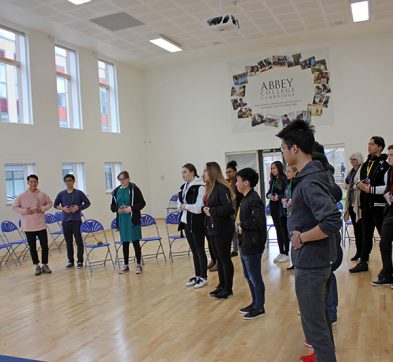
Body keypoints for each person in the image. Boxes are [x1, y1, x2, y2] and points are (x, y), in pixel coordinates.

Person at [277, 120, 342, 362]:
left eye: (284, 148)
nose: (282, 153)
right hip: (319, 261)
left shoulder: (311, 180)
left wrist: (301, 237)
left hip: (312, 264)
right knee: (321, 323)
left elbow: (332, 220)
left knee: (316, 329)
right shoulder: (316, 174)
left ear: (295, 149)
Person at [349, 137, 390, 273]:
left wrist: (371, 189)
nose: (369, 146)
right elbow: (358, 181)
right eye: (368, 144)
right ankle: (363, 261)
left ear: (380, 147)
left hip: (379, 206)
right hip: (366, 205)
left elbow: (387, 186)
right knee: (366, 235)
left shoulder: (385, 165)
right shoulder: (366, 163)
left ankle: (387, 267)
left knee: (384, 238)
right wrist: (358, 184)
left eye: (372, 144)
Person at [235, 168, 267, 320]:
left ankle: (259, 307)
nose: (236, 184)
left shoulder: (254, 199)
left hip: (252, 244)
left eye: (238, 181)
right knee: (248, 276)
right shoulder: (246, 198)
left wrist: (243, 225)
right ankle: (254, 303)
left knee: (255, 277)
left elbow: (259, 222)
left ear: (246, 183)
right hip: (245, 242)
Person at [203, 162, 236, 299]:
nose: (203, 173)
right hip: (212, 227)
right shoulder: (210, 188)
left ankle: (228, 288)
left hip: (222, 228)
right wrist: (205, 209)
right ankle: (222, 285)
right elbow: (208, 206)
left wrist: (212, 211)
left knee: (224, 259)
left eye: (205, 171)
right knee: (219, 259)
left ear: (212, 172)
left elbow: (229, 209)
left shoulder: (222, 188)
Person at [12, 175, 52, 276]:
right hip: (28, 226)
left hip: (41, 225)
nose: (33, 184)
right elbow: (14, 207)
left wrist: (42, 209)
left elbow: (49, 203)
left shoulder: (42, 194)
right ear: (28, 183)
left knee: (44, 246)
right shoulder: (22, 196)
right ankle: (37, 266)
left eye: (35, 182)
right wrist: (25, 211)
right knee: (32, 247)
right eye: (31, 182)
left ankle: (45, 265)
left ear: (37, 182)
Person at [177, 164, 208, 289]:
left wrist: (186, 206)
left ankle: (204, 277)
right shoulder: (184, 187)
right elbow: (179, 204)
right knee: (194, 250)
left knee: (200, 250)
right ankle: (197, 275)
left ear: (192, 172)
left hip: (196, 222)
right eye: (182, 172)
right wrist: (182, 206)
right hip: (186, 221)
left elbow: (198, 207)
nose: (183, 174)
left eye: (185, 172)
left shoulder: (200, 186)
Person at [111, 171, 146, 274]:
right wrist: (117, 209)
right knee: (125, 242)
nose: (122, 181)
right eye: (120, 179)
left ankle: (138, 264)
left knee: (135, 242)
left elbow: (142, 203)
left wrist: (131, 208)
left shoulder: (134, 189)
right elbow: (112, 206)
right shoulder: (116, 191)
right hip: (122, 220)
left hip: (132, 219)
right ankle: (126, 265)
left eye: (124, 179)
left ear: (128, 178)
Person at [54, 174, 91, 270]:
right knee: (68, 242)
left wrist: (78, 207)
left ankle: (80, 261)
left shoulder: (79, 193)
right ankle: (70, 261)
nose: (68, 182)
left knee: (79, 242)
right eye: (66, 181)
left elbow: (87, 203)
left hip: (76, 221)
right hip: (66, 221)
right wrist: (63, 209)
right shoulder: (61, 194)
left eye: (70, 180)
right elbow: (55, 205)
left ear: (74, 181)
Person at [371, 145, 393, 286]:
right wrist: (386, 194)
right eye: (389, 154)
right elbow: (387, 187)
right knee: (384, 243)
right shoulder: (390, 170)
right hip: (390, 211)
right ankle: (387, 275)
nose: (389, 157)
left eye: (392, 155)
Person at [266, 161, 289, 263]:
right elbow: (268, 193)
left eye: (274, 168)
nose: (273, 170)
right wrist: (269, 196)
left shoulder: (284, 179)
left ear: (279, 168)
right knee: (277, 231)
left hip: (281, 207)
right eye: (272, 168)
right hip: (273, 207)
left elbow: (286, 193)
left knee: (283, 230)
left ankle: (286, 253)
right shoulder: (272, 180)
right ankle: (281, 251)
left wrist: (278, 197)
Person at [343, 152, 364, 260]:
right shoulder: (350, 171)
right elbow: (345, 183)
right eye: (351, 159)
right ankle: (358, 251)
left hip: (358, 202)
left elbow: (360, 184)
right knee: (356, 229)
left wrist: (351, 186)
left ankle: (363, 252)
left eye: (354, 159)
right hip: (351, 202)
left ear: (359, 160)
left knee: (361, 229)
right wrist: (352, 186)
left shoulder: (362, 170)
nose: (352, 161)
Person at [225, 160, 243, 257]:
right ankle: (235, 249)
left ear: (235, 172)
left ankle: (239, 248)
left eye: (230, 171)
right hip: (230, 209)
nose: (228, 174)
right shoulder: (227, 182)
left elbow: (237, 196)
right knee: (233, 230)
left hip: (238, 208)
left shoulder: (237, 181)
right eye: (227, 172)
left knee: (238, 228)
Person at [282, 164, 297, 270]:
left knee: (295, 237)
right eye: (286, 171)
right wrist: (284, 200)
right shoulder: (288, 183)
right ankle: (294, 262)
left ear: (295, 172)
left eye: (289, 171)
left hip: (295, 214)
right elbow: (286, 195)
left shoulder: (297, 184)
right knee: (291, 237)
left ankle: (297, 261)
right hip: (289, 213)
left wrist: (292, 200)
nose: (286, 173)